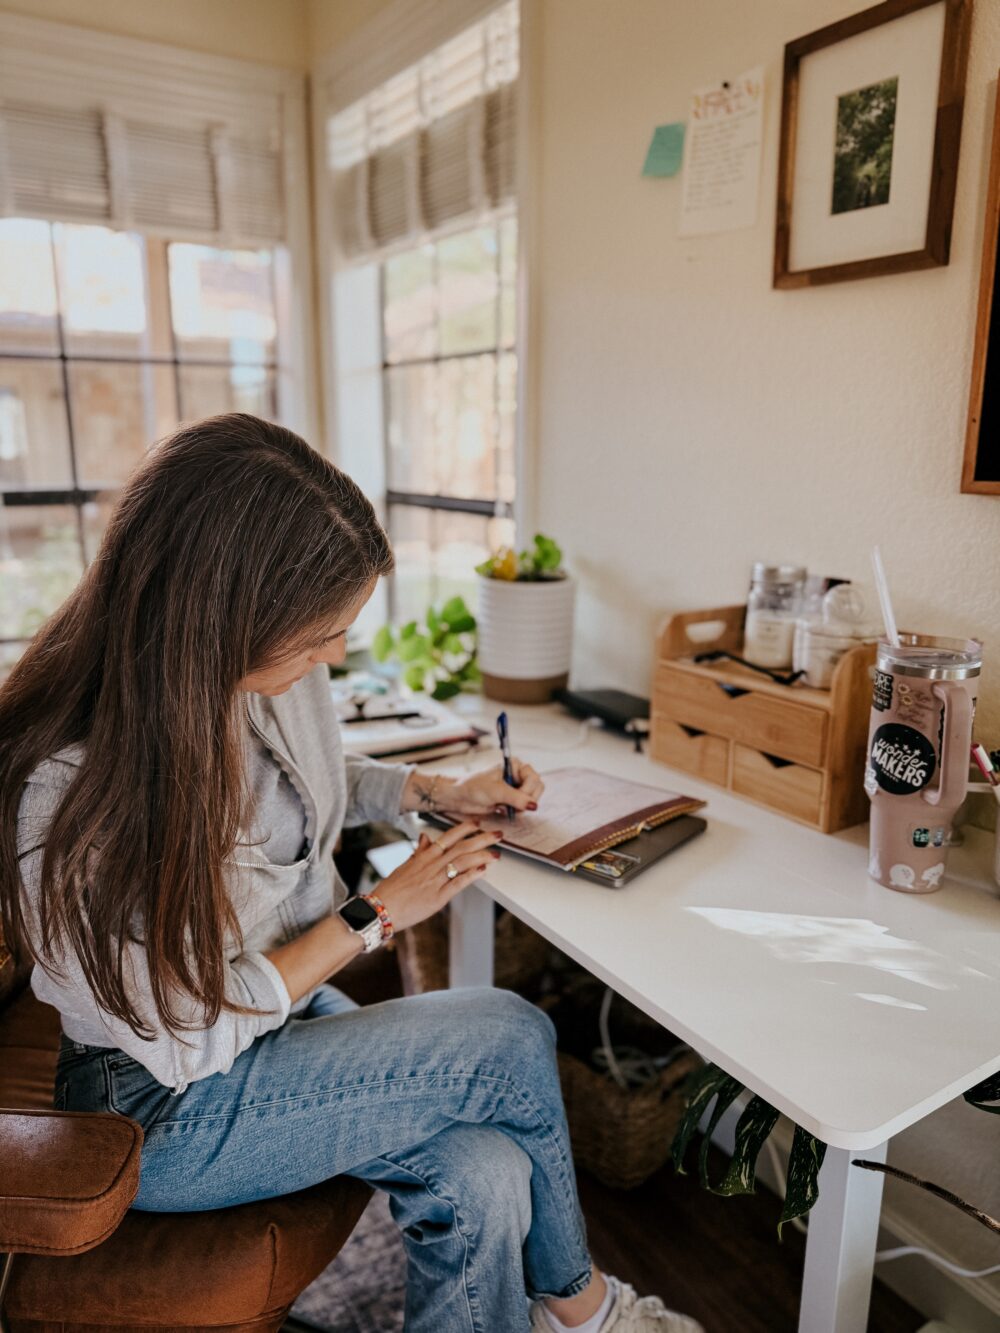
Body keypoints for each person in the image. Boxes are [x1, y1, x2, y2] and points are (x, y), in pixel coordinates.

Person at [0, 414, 703, 1333]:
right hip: (158, 1102)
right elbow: (183, 1036)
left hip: (273, 1021)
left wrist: (435, 787)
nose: (334, 655)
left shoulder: (267, 675)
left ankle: (549, 1315)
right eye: (321, 633)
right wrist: (374, 915)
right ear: (221, 617)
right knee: (506, 1031)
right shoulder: (65, 793)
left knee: (485, 1172)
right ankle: (584, 1307)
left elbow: (308, 790)